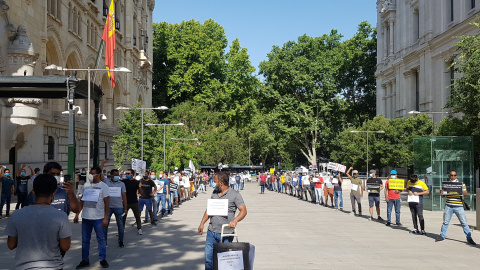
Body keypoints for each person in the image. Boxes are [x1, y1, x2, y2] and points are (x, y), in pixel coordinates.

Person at [5, 174, 72, 269]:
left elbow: (11, 245)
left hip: (24, 267)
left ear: (33, 192)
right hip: (53, 266)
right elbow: (66, 246)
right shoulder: (61, 216)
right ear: (54, 193)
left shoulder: (17, 215)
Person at [198, 172, 247, 270]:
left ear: (221, 183)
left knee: (223, 262)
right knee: (208, 259)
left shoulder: (235, 194)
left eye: (215, 181)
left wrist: (235, 220)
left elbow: (244, 210)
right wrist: (202, 223)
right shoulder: (214, 193)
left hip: (226, 233)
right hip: (211, 232)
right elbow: (209, 210)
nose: (213, 183)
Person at [75, 167, 110, 269]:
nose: (91, 175)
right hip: (86, 218)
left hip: (99, 218)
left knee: (101, 239)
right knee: (85, 240)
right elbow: (82, 200)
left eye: (93, 174)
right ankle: (85, 260)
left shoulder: (104, 186)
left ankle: (102, 259)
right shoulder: (86, 185)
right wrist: (77, 214)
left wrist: (106, 218)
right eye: (90, 173)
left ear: (99, 175)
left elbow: (107, 203)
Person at [436, 170, 476, 245]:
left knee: (464, 223)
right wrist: (441, 193)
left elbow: (466, 194)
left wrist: (462, 191)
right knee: (445, 222)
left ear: (456, 176)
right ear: (449, 176)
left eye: (454, 175)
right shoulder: (446, 184)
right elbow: (443, 196)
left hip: (459, 206)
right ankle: (442, 235)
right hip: (448, 205)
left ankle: (469, 238)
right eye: (451, 175)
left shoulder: (461, 184)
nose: (453, 176)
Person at [103, 169, 127, 248]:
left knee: (120, 225)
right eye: (115, 175)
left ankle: (121, 241)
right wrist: (103, 163)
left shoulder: (121, 184)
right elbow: (99, 174)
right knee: (105, 225)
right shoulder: (107, 182)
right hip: (108, 207)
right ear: (111, 175)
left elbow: (124, 196)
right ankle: (104, 241)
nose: (117, 176)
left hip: (119, 207)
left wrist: (125, 208)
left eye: (118, 175)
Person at [121, 169, 143, 235]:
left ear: (132, 174)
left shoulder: (136, 182)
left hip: (134, 202)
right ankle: (121, 229)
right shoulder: (124, 182)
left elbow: (141, 192)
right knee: (123, 217)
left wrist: (140, 187)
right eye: (126, 173)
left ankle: (139, 229)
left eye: (128, 173)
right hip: (125, 202)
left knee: (137, 216)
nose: (127, 175)